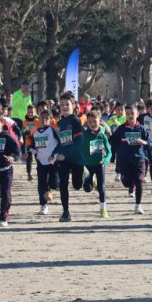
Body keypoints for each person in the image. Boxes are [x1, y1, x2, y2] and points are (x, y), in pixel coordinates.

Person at [110, 104, 150, 214]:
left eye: (132, 113)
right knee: (127, 183)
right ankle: (128, 182)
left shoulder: (141, 128)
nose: (130, 116)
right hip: (124, 160)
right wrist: (119, 141)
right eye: (127, 114)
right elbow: (112, 140)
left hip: (139, 159)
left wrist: (143, 142)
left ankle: (138, 205)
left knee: (139, 181)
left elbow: (149, 143)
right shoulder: (121, 128)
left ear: (137, 114)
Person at [52, 94, 86, 222]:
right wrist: (54, 153)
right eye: (62, 105)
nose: (64, 107)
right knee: (63, 184)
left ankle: (86, 174)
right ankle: (65, 212)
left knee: (77, 185)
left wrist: (65, 154)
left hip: (76, 158)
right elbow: (61, 142)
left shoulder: (75, 121)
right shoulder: (60, 122)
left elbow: (79, 142)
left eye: (67, 104)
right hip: (64, 160)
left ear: (74, 105)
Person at [81, 110, 112, 217]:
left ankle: (103, 209)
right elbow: (79, 149)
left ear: (100, 121)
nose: (92, 124)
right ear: (87, 123)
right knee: (87, 189)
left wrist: (105, 161)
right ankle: (91, 180)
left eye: (95, 121)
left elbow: (109, 152)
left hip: (100, 165)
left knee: (101, 187)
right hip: (88, 166)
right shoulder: (84, 135)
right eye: (90, 122)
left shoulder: (102, 136)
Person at [30, 109, 59, 216]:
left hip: (53, 162)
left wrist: (56, 154)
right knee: (41, 185)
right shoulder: (35, 132)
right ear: (39, 119)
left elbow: (60, 142)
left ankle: (50, 189)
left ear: (51, 120)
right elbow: (33, 147)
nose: (44, 120)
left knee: (54, 184)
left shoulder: (53, 130)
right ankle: (43, 206)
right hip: (41, 162)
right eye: (42, 118)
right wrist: (28, 154)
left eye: (47, 118)